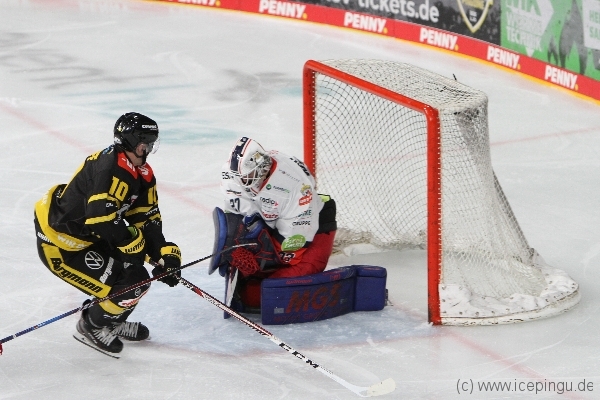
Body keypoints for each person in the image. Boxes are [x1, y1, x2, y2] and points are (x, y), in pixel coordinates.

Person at [33, 112, 181, 355]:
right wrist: (132, 244)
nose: (149, 148)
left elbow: (147, 218)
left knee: (137, 277)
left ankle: (111, 320)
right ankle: (91, 324)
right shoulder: (109, 167)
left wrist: (164, 254)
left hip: (91, 236)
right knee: (130, 285)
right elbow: (99, 217)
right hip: (63, 245)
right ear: (131, 142)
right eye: (146, 143)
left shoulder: (141, 172)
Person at [213, 136, 337, 310]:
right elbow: (236, 215)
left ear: (261, 166)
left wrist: (260, 259)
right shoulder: (231, 175)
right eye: (239, 177)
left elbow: (293, 247)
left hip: (313, 228)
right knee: (247, 285)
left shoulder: (296, 188)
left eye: (247, 176)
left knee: (267, 293)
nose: (241, 182)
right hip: (272, 223)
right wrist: (235, 245)